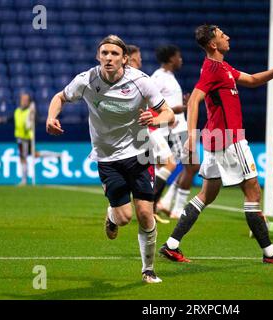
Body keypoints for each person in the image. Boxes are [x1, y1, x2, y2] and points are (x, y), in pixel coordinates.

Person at [158, 24, 273, 264]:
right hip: (229, 138)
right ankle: (269, 252)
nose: (228, 37)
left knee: (206, 194)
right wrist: (191, 136)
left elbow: (253, 80)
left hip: (217, 138)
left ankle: (172, 245)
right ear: (213, 44)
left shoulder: (223, 68)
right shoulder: (213, 69)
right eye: (223, 35)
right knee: (253, 190)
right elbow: (194, 100)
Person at [46, 35, 175, 283]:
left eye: (114, 54)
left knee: (146, 213)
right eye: (104, 53)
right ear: (98, 56)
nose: (109, 57)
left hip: (140, 154)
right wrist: (52, 117)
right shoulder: (86, 80)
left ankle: (148, 269)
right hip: (107, 158)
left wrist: (155, 119)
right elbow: (59, 97)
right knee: (125, 217)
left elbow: (168, 113)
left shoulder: (141, 81)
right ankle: (112, 216)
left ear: (125, 59)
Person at [126, 44, 176, 224]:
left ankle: (149, 207)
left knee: (152, 167)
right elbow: (149, 104)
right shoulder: (137, 78)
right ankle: (152, 203)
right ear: (130, 58)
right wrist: (163, 117)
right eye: (138, 56)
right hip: (147, 129)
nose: (141, 59)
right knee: (168, 163)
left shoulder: (131, 78)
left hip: (146, 128)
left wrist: (165, 116)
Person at [152, 45, 200, 220]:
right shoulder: (158, 77)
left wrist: (183, 106)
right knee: (192, 166)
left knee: (189, 167)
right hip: (173, 129)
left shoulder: (169, 77)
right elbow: (150, 104)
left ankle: (167, 202)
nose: (181, 60)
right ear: (171, 58)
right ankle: (177, 208)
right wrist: (177, 109)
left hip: (179, 127)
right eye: (178, 57)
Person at [14, 93, 61, 186]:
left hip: (27, 138)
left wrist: (32, 114)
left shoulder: (30, 111)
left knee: (29, 156)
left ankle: (24, 181)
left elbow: (34, 121)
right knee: (24, 157)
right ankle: (24, 180)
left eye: (26, 100)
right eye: (23, 99)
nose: (24, 101)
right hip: (19, 137)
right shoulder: (17, 111)